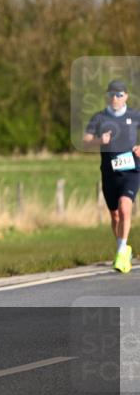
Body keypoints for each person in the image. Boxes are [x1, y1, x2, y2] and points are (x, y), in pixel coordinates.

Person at [83, 80, 140, 274]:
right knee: (115, 215)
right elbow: (86, 141)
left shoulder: (134, 115)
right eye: (112, 95)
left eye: (119, 95)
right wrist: (101, 140)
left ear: (126, 96)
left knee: (125, 208)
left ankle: (122, 252)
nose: (115, 98)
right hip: (109, 172)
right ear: (107, 97)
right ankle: (122, 248)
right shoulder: (99, 117)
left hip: (131, 170)